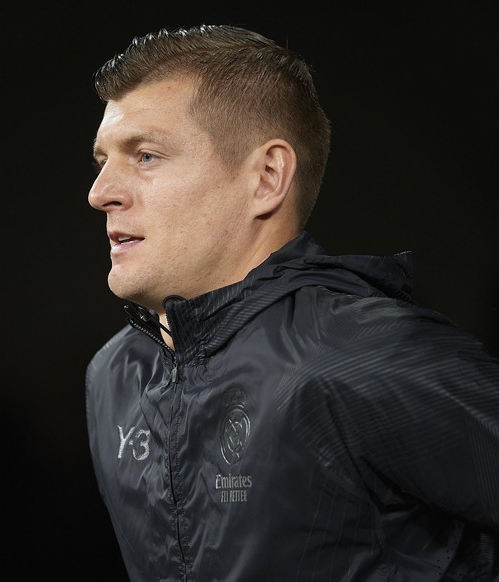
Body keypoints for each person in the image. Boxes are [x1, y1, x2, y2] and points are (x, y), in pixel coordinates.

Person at [84, 24, 499, 581]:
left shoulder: (367, 353)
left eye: (146, 156)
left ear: (268, 177)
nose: (100, 191)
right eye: (102, 161)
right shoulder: (115, 374)